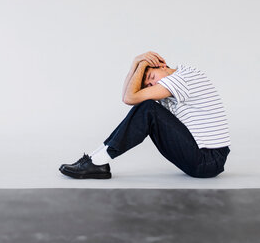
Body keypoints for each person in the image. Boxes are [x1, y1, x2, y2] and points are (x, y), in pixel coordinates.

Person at [59, 51, 231, 179]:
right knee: (146, 106)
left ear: (162, 65)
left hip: (209, 160)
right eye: (148, 84)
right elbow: (127, 97)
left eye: (151, 76)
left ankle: (97, 162)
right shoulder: (172, 83)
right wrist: (135, 63)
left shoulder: (182, 78)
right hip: (204, 159)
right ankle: (95, 160)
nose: (151, 84)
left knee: (148, 107)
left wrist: (141, 65)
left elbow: (130, 97)